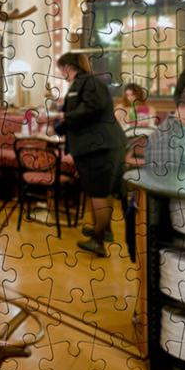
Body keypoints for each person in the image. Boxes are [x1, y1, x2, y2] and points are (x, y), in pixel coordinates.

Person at [53, 52, 127, 258]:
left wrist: (64, 116)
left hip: (98, 147)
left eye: (60, 69)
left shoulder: (90, 82)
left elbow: (91, 108)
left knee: (98, 193)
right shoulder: (84, 83)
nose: (60, 73)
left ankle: (98, 240)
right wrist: (60, 124)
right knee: (101, 192)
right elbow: (81, 113)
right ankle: (104, 229)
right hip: (104, 145)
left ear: (69, 66)